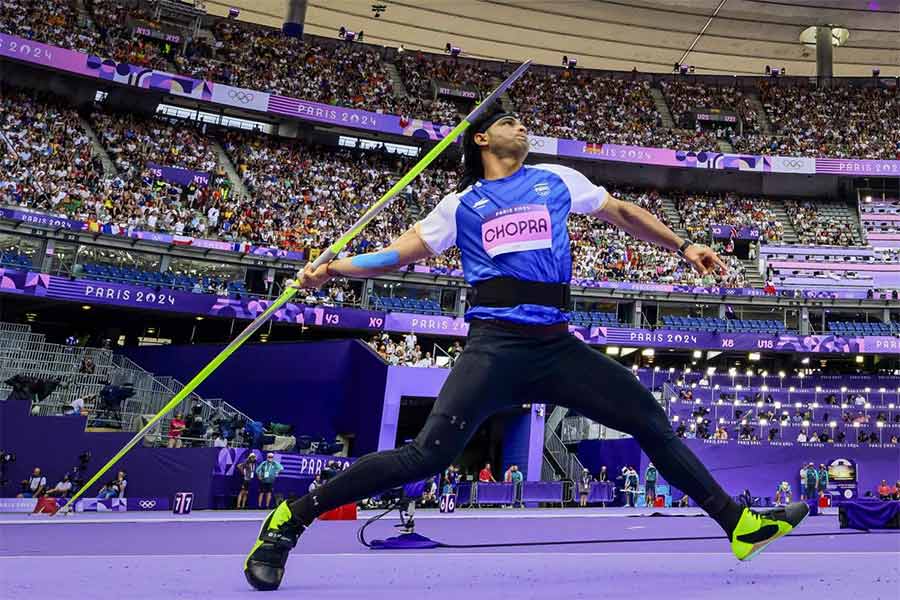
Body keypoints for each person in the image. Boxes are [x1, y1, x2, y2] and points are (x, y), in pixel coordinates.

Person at [243, 109, 809, 591]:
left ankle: (739, 524)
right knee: (426, 457)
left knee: (649, 421)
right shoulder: (460, 204)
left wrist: (683, 244)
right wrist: (333, 268)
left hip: (558, 348)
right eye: (508, 121)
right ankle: (290, 518)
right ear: (482, 139)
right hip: (496, 349)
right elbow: (398, 253)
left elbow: (621, 212)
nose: (522, 126)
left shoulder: (555, 178)